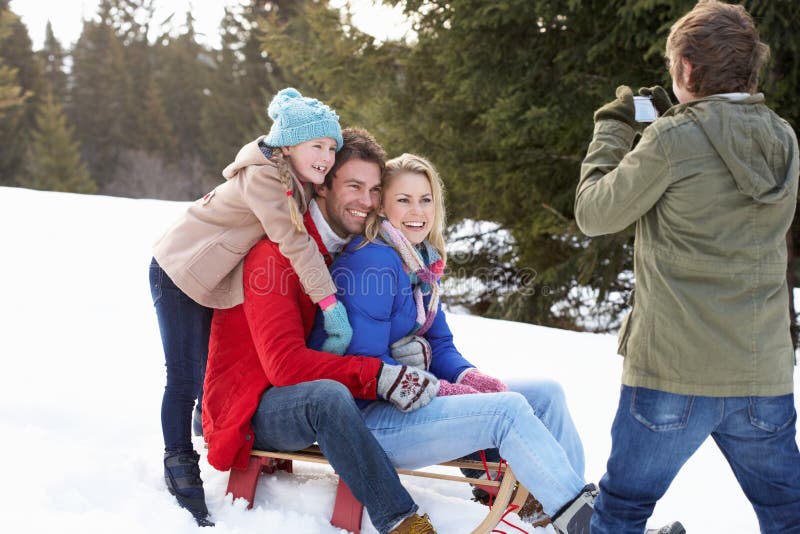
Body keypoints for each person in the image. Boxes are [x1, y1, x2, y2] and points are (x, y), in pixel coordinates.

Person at [307, 153, 683, 534]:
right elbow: (368, 367)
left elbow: (440, 345)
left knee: (546, 394)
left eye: (426, 199)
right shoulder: (372, 261)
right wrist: (451, 394)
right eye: (403, 199)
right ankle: (597, 527)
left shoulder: (419, 263)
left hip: (410, 405)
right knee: (506, 411)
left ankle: (566, 515)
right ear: (381, 205)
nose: (417, 210)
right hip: (368, 426)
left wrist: (470, 377)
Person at [575, 1, 800, 532]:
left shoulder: (672, 139)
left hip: (670, 375)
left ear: (688, 71)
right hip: (760, 374)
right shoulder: (784, 138)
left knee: (624, 510)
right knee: (788, 516)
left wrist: (614, 126)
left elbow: (593, 212)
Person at [203, 128, 442, 534]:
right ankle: (402, 521)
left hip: (299, 399)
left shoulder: (344, 253)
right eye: (353, 186)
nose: (367, 202)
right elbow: (284, 367)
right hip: (250, 407)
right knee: (328, 397)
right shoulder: (275, 255)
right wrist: (378, 375)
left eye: (374, 190)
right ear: (323, 187)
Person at [149, 87, 355, 525]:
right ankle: (178, 461)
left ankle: (203, 426)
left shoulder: (290, 178)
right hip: (178, 273)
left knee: (206, 370)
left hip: (211, 277)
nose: (326, 155)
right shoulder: (265, 178)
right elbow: (293, 241)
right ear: (288, 145)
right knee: (184, 376)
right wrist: (330, 304)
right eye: (317, 144)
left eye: (332, 147)